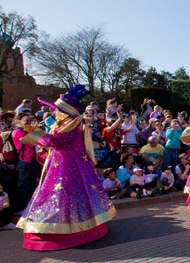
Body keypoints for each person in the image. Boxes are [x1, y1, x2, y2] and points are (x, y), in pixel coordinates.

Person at [16, 85, 116, 250]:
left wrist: (32, 131)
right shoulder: (65, 124)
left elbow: (54, 141)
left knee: (66, 193)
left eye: (58, 109)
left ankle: (69, 229)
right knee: (68, 193)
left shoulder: (72, 125)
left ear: (66, 112)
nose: (55, 112)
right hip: (63, 164)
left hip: (67, 167)